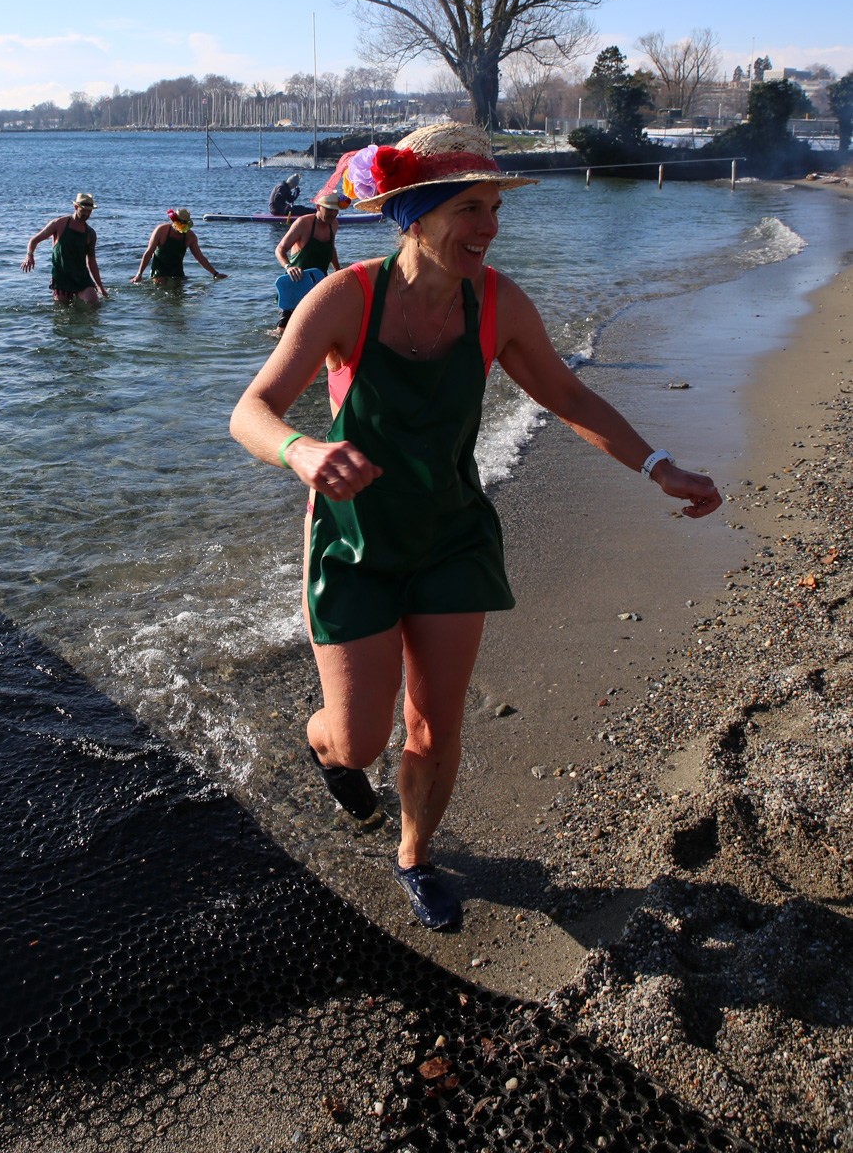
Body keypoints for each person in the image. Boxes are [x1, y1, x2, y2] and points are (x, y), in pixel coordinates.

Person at [229, 123, 721, 932]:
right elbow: (251, 410)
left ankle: (414, 855)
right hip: (353, 543)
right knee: (357, 740)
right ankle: (325, 752)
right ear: (414, 215)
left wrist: (656, 464)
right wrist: (300, 450)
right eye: (469, 209)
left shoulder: (497, 302)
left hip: (451, 536)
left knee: (433, 726)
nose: (489, 226)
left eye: (494, 208)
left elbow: (568, 396)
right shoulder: (346, 296)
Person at [21, 192, 108, 304]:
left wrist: (100, 287)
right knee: (63, 310)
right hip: (62, 278)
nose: (86, 214)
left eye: (89, 211)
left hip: (82, 278)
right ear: (76, 207)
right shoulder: (58, 224)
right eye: (83, 210)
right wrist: (29, 255)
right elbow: (33, 240)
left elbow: (91, 261)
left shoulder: (90, 234)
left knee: (94, 305)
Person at [272, 193, 341, 334]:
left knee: (316, 330)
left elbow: (331, 249)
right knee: (282, 332)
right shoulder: (303, 224)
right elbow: (280, 249)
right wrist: (288, 267)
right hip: (294, 284)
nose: (333, 214)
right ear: (318, 207)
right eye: (329, 210)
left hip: (317, 285)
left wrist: (338, 271)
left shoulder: (334, 224)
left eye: (335, 210)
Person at [131, 208, 228, 282]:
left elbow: (200, 257)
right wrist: (139, 275)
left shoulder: (190, 237)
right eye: (180, 223)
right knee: (161, 287)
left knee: (179, 295)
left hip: (177, 274)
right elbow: (148, 252)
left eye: (184, 224)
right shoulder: (160, 231)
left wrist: (215, 274)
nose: (181, 226)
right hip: (159, 272)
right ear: (174, 220)